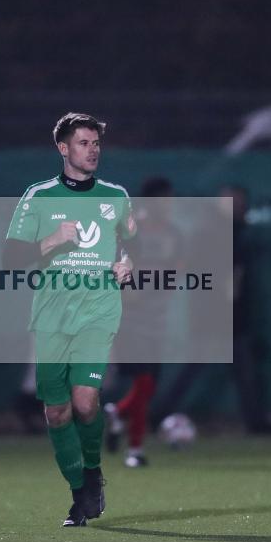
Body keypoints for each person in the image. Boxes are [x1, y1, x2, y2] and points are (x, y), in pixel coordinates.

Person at [3, 112, 136, 527]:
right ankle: (80, 491)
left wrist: (128, 262)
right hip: (52, 317)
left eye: (96, 143)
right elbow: (11, 258)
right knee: (58, 413)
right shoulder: (38, 196)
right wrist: (53, 239)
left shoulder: (116, 196)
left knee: (85, 401)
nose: (92, 150)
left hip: (98, 312)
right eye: (83, 143)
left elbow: (133, 244)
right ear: (63, 148)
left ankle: (92, 471)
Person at [153, 184, 271, 434]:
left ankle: (157, 416)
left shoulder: (224, 231)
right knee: (220, 370)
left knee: (231, 370)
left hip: (222, 314)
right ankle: (157, 415)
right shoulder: (218, 233)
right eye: (236, 202)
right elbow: (223, 277)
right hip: (218, 314)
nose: (241, 208)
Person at [105, 176, 184, 467]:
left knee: (147, 386)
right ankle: (135, 450)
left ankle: (117, 413)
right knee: (145, 380)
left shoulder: (174, 234)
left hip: (156, 321)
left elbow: (177, 269)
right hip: (130, 320)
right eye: (164, 199)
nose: (169, 205)